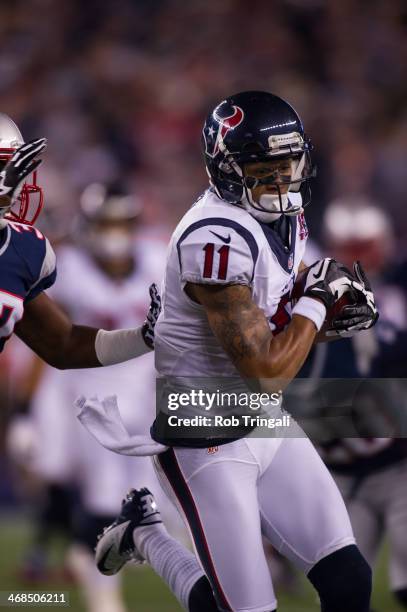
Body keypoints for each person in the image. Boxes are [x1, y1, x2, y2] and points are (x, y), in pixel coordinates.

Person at [93, 91, 378, 612]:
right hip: (204, 436)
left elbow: (274, 327)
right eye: (263, 169)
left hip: (264, 421)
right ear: (226, 169)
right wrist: (317, 303)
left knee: (349, 581)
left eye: (289, 165)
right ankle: (147, 535)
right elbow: (265, 370)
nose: (281, 180)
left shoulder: (284, 219)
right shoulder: (214, 237)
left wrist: (332, 318)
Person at [0, 113, 160, 369]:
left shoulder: (21, 252)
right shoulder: (70, 264)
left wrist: (141, 338)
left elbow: (63, 344)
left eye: (19, 167)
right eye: (5, 168)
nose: (14, 181)